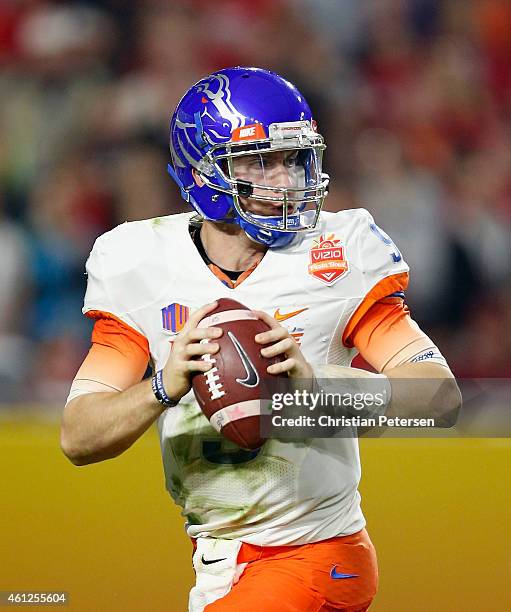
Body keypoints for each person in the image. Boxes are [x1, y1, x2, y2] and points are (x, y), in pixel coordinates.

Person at [61, 67, 461, 611]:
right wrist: (163, 385)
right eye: (259, 161)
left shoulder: (336, 252)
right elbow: (79, 438)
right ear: (204, 171)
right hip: (220, 558)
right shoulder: (141, 261)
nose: (284, 179)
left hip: (316, 553)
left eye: (292, 159)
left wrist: (314, 387)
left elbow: (438, 399)